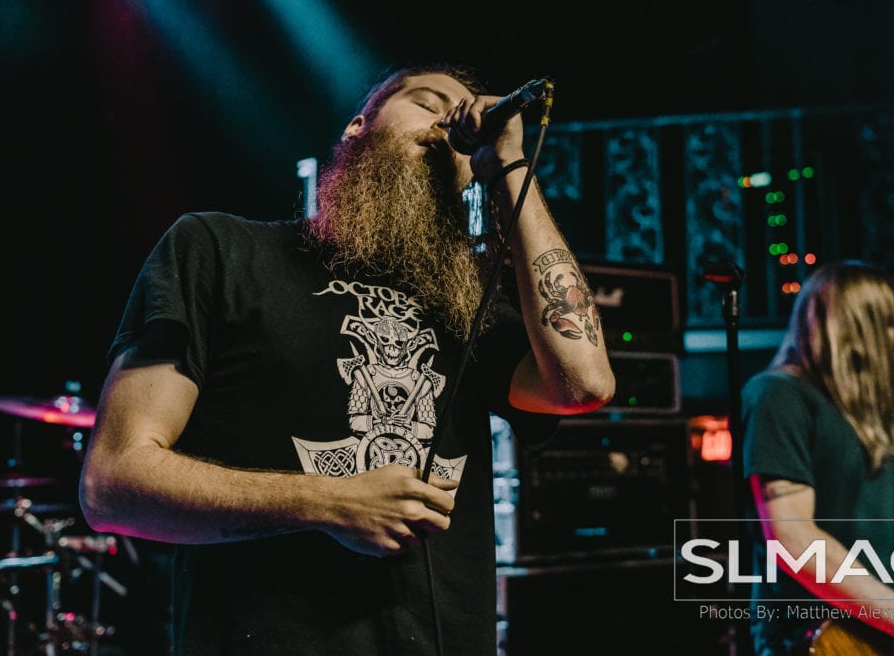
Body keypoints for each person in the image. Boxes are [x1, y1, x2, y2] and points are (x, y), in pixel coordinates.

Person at [78, 63, 615, 655]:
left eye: (462, 123)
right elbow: (113, 483)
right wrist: (327, 502)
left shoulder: (468, 307)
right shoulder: (219, 250)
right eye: (427, 103)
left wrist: (509, 166)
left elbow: (583, 383)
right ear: (358, 127)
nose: (448, 126)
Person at [741, 260, 894, 655]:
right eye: (888, 325)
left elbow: (880, 555)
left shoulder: (860, 417)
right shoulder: (779, 396)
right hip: (815, 642)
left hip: (876, 639)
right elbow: (793, 538)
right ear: (857, 330)